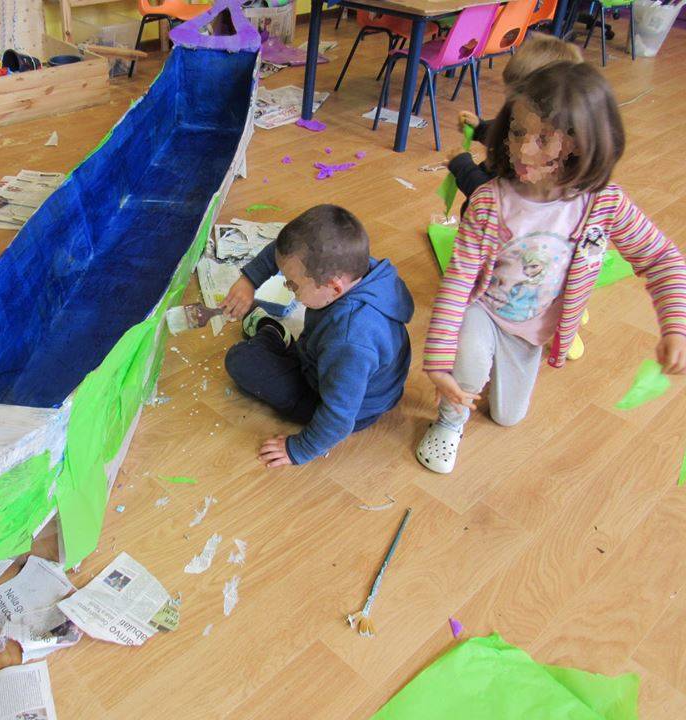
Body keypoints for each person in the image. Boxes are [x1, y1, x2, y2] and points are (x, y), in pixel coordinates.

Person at [417, 62, 686, 474]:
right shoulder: (490, 201)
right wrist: (438, 362)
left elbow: (662, 259)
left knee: (508, 416)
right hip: (484, 311)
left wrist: (676, 325)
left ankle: (480, 378)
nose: (523, 150)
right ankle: (450, 420)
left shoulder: (605, 204)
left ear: (582, 145)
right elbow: (458, 282)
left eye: (543, 139)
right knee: (467, 361)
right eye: (517, 132)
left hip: (532, 331)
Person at [221, 204, 414, 467]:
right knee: (259, 355)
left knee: (241, 361)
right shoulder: (356, 268)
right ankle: (274, 334)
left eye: (293, 284)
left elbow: (338, 416)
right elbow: (285, 252)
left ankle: (273, 334)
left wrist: (299, 449)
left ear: (334, 287)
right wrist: (249, 281)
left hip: (349, 407)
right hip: (330, 364)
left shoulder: (351, 340)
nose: (289, 288)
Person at [448, 34, 584, 217]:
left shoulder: (532, 160)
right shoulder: (535, 133)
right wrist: (480, 129)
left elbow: (493, 201)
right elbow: (507, 134)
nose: (510, 109)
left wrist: (462, 167)